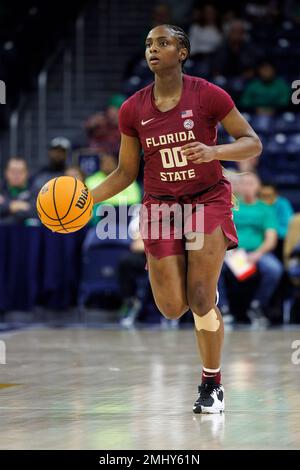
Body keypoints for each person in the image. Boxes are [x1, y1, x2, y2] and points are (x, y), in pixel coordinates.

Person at [90, 24, 262, 414]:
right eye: (149, 43)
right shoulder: (132, 108)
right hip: (161, 207)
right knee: (171, 307)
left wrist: (213, 152)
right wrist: (85, 201)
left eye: (163, 43)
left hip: (207, 200)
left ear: (182, 52)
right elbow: (123, 173)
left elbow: (253, 142)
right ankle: (206, 298)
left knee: (200, 297)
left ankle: (212, 383)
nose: (153, 49)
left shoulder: (208, 95)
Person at [218, 173, 283, 323]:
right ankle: (223, 308)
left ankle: (257, 306)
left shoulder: (266, 209)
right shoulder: (230, 207)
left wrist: (257, 254)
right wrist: (230, 251)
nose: (247, 187)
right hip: (231, 252)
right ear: (238, 186)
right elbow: (221, 233)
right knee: (214, 268)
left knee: (274, 269)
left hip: (257, 253)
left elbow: (271, 238)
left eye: (251, 183)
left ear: (259, 186)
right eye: (244, 183)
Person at [260, 182, 294, 259]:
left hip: (279, 240)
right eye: (263, 195)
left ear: (276, 194)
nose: (266, 198)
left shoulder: (283, 204)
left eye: (269, 195)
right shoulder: (257, 205)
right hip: (260, 240)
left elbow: (288, 225)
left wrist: (271, 232)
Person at [0, 157, 35, 224]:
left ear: (26, 173)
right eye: (13, 171)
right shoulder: (1, 188)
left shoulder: (35, 190)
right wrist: (11, 206)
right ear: (6, 172)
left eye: (20, 171)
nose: (16, 175)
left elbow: (35, 212)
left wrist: (6, 206)